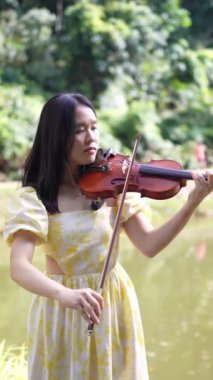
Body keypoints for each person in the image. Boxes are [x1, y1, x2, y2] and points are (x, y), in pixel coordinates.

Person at [3, 93, 213, 380]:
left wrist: (192, 202)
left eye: (94, 127)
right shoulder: (38, 198)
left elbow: (149, 245)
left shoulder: (114, 188)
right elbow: (19, 267)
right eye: (79, 129)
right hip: (63, 308)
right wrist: (66, 295)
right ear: (56, 136)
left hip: (112, 302)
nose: (91, 137)